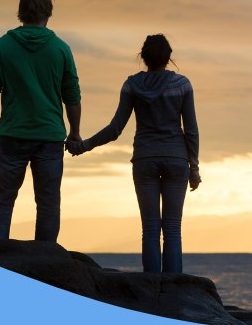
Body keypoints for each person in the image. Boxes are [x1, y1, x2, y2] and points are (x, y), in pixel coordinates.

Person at [67, 34, 200, 273]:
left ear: (143, 57)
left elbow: (115, 128)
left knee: (150, 227)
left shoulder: (132, 85)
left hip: (144, 160)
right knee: (172, 228)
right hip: (176, 159)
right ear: (169, 58)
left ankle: (150, 290)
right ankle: (176, 292)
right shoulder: (182, 85)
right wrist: (195, 168)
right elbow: (190, 130)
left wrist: (85, 145)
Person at [0, 0, 82, 242]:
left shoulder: (1, 47)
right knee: (48, 202)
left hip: (11, 133)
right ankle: (45, 259)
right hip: (49, 136)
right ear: (48, 13)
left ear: (21, 12)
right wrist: (75, 131)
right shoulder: (61, 49)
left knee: (2, 199)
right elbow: (72, 95)